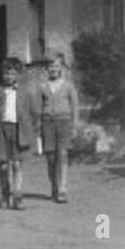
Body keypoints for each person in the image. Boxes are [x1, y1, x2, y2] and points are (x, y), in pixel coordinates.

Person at [0, 58, 39, 210]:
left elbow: (34, 113)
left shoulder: (26, 92)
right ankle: (5, 193)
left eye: (12, 74)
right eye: (6, 73)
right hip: (2, 130)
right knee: (4, 164)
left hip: (19, 130)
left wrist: (32, 132)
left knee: (17, 164)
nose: (9, 77)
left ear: (18, 75)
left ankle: (17, 195)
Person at [38, 53, 80, 203]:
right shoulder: (42, 86)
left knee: (62, 155)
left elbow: (75, 106)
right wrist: (38, 128)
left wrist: (74, 126)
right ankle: (54, 187)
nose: (53, 69)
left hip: (64, 122)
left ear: (61, 68)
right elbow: (38, 107)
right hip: (47, 123)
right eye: (51, 67)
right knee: (50, 157)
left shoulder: (68, 85)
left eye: (56, 66)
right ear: (46, 69)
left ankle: (63, 189)